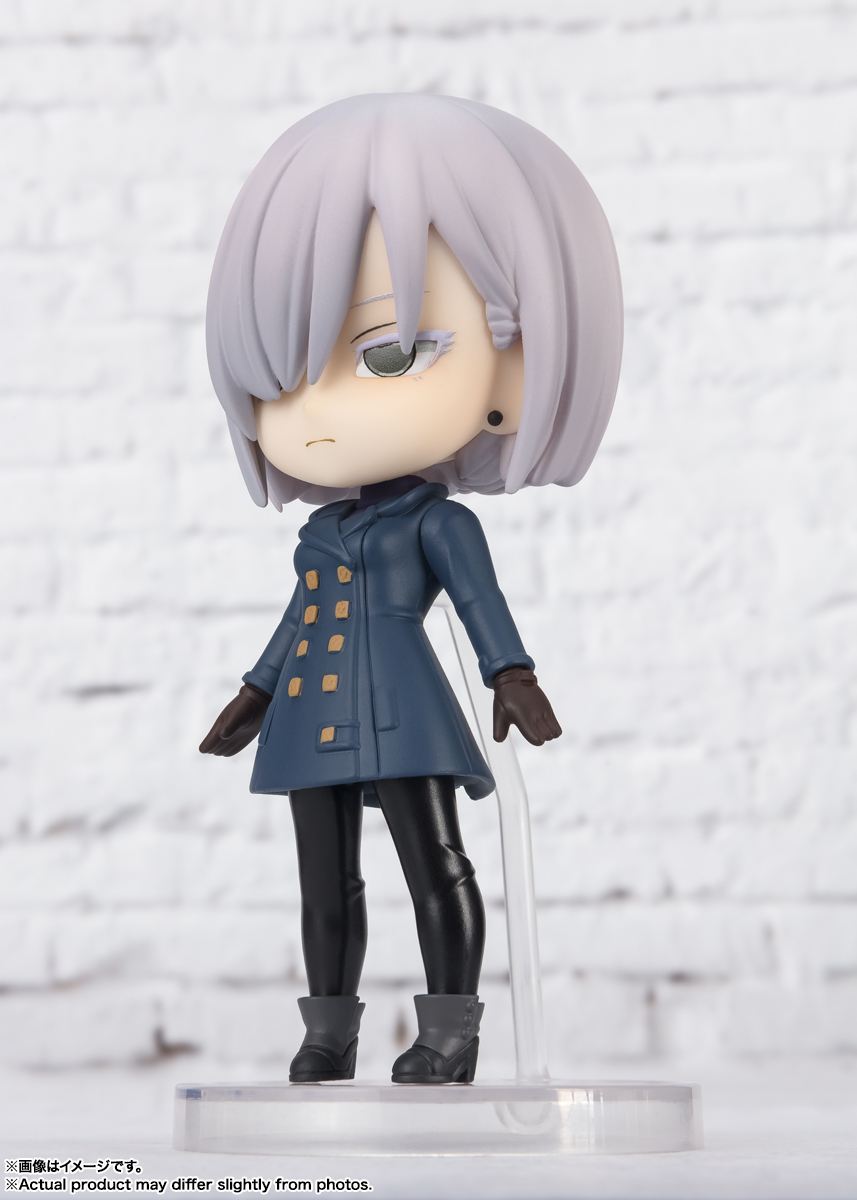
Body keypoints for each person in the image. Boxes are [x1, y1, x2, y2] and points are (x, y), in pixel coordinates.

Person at [199, 93, 623, 1084]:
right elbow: (300, 619)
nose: (318, 411)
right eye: (279, 379)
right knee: (323, 884)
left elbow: (478, 607)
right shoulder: (319, 533)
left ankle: (449, 1030)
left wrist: (511, 674)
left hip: (403, 711)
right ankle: (328, 1032)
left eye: (385, 351)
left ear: (510, 370)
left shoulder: (436, 522)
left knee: (434, 862)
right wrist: (256, 692)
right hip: (308, 715)